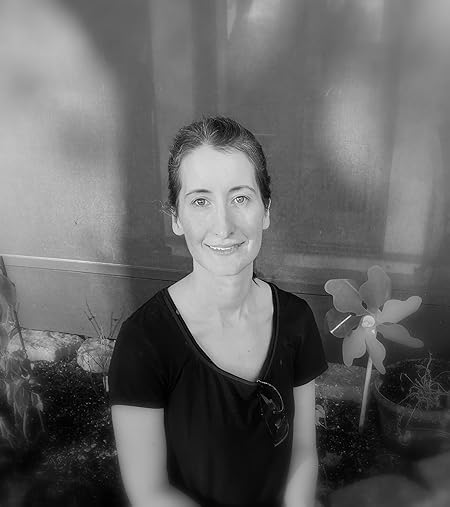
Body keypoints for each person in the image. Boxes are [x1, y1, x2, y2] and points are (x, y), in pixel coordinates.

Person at [108, 117, 328, 507]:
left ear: (266, 210)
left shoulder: (296, 320)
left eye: (240, 198)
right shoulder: (144, 342)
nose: (223, 226)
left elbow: (302, 452)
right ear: (176, 218)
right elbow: (149, 492)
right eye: (200, 201)